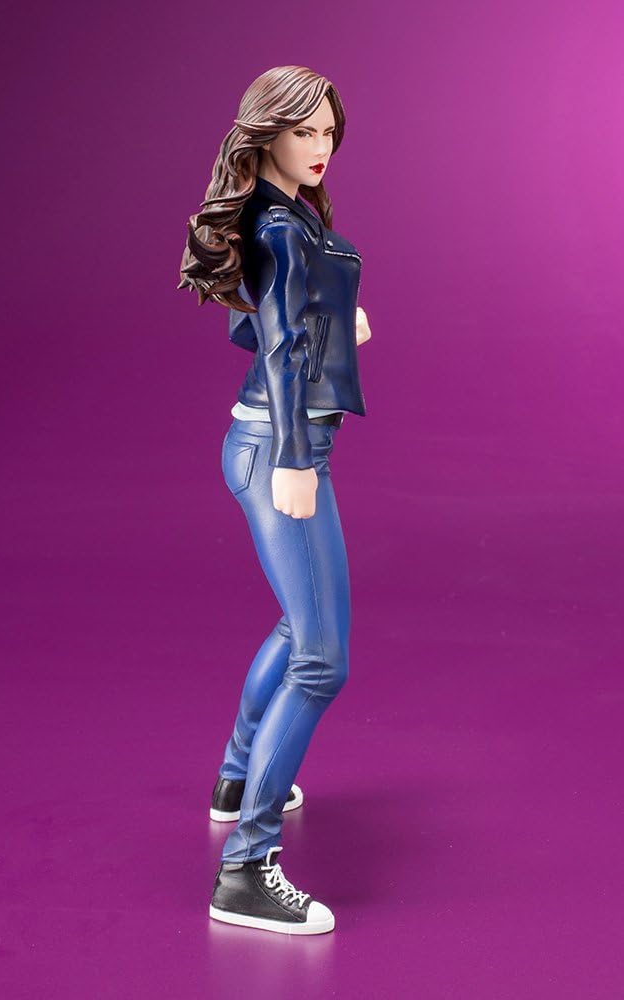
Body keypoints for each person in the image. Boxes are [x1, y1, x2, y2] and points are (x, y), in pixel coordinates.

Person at [179, 65, 372, 935]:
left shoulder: (280, 214)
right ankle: (246, 871)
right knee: (321, 658)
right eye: (302, 132)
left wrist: (339, 324)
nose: (320, 147)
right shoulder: (280, 226)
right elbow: (283, 344)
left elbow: (255, 320)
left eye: (327, 132)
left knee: (302, 627)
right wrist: (296, 459)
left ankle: (234, 778)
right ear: (264, 135)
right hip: (279, 450)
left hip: (264, 441)